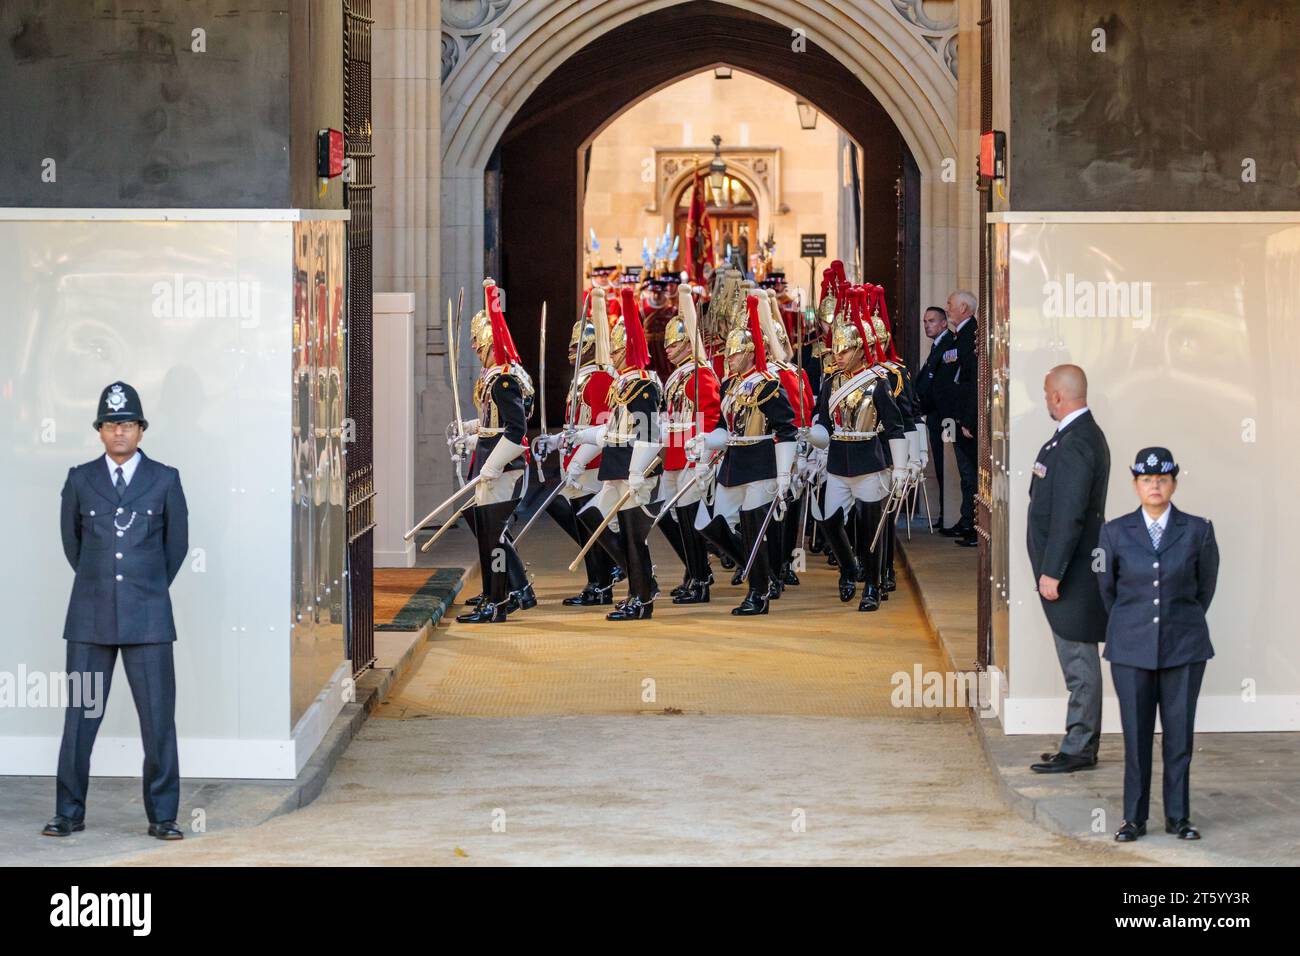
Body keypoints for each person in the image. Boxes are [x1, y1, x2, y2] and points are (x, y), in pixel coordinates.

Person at [45, 382, 189, 841]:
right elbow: (74, 545)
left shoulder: (165, 479)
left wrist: (144, 590)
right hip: (90, 618)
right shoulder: (80, 478)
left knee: (158, 721)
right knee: (79, 720)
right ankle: (68, 813)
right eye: (111, 424)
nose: (119, 432)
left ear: (141, 430)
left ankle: (163, 816)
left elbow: (176, 548)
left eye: (127, 423)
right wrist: (100, 586)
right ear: (100, 431)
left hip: (148, 619)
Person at [1096, 448, 1219, 843]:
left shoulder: (1198, 530)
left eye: (1162, 480)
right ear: (1135, 485)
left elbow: (1204, 588)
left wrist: (1175, 620)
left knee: (1180, 737)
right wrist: (1134, 625)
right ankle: (1134, 819)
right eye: (1147, 480)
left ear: (1174, 484)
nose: (1154, 486)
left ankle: (1178, 817)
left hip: (1183, 646)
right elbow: (1107, 590)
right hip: (1130, 648)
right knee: (1135, 738)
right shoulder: (1114, 532)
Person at [1026, 365, 1110, 774]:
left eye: (1046, 393)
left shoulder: (1078, 441)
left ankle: (1079, 747)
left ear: (1059, 396)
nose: (1045, 400)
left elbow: (1070, 515)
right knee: (1076, 659)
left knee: (1079, 661)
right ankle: (1079, 741)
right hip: (1067, 569)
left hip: (1071, 573)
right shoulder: (1074, 436)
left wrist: (1053, 571)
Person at [694, 294, 797, 615]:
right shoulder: (729, 386)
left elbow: (786, 430)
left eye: (735, 353)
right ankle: (761, 575)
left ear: (751, 354)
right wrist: (705, 442)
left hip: (761, 462)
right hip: (733, 464)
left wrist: (783, 475)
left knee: (754, 530)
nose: (728, 357)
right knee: (710, 524)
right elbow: (726, 429)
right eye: (727, 352)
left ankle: (758, 592)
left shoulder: (768, 385)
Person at [807, 289, 908, 612]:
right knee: (827, 520)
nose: (838, 355)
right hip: (837, 461)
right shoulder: (829, 383)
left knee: (870, 528)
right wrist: (812, 438)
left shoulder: (878, 382)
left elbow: (894, 425)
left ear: (860, 350)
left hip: (869, 460)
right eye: (835, 349)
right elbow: (824, 420)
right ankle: (849, 568)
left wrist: (902, 466)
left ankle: (874, 587)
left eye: (845, 349)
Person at [572, 286, 663, 620]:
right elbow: (612, 430)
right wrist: (577, 436)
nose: (610, 355)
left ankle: (641, 598)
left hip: (631, 468)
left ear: (628, 349)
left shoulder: (641, 384)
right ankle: (642, 584)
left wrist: (638, 472)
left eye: (617, 349)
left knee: (632, 536)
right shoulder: (623, 383)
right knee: (594, 517)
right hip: (616, 465)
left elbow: (650, 432)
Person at [454, 279, 535, 624]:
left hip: (504, 466)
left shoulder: (503, 379)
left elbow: (517, 432)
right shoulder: (495, 377)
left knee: (497, 538)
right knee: (489, 536)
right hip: (494, 461)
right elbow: (496, 424)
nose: (474, 347)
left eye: (478, 341)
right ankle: (494, 594)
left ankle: (500, 602)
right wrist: (474, 434)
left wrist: (493, 464)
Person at [657, 283, 722, 604]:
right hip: (673, 455)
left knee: (690, 518)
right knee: (669, 516)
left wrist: (702, 460)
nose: (667, 350)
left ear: (687, 344)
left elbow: (708, 418)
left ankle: (700, 579)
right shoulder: (679, 375)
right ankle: (693, 571)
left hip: (690, 457)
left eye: (674, 345)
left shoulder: (701, 374)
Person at [943, 289, 979, 546]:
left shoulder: (971, 335)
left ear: (964, 308)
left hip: (967, 418)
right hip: (957, 415)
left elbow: (972, 381)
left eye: (951, 304)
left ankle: (973, 524)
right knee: (965, 474)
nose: (947, 308)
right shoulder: (960, 336)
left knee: (971, 475)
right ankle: (967, 520)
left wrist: (968, 419)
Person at [913, 306, 950, 530]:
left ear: (944, 323)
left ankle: (949, 515)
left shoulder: (947, 345)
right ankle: (945, 514)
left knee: (947, 469)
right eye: (925, 321)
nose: (927, 325)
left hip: (943, 416)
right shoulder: (938, 345)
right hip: (934, 415)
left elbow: (939, 384)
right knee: (939, 466)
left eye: (932, 321)